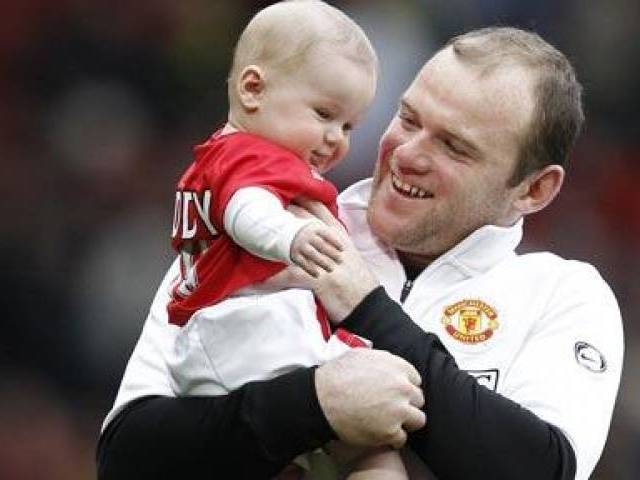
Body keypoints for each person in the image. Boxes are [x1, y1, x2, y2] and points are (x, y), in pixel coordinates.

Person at [97, 25, 623, 480]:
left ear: (533, 190)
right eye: (409, 119)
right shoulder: (269, 225)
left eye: (455, 147)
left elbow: (538, 468)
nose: (408, 154)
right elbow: (128, 457)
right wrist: (314, 404)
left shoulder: (561, 295)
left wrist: (367, 308)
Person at [105, 1, 410, 478]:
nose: (336, 139)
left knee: (364, 437)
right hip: (245, 336)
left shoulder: (235, 155)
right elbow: (246, 210)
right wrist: (293, 236)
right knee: (364, 443)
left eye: (348, 126)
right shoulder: (250, 157)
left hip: (238, 337)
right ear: (253, 89)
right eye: (324, 114)